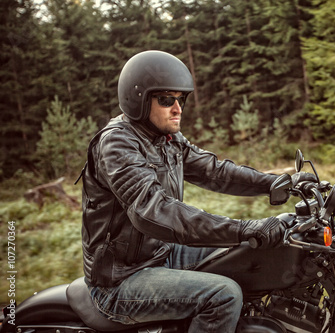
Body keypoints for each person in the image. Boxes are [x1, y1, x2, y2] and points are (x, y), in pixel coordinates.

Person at [79, 50, 314, 333]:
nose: (178, 108)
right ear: (138, 99)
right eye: (166, 100)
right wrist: (243, 227)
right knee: (224, 295)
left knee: (253, 255)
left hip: (160, 252)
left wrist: (278, 182)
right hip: (121, 279)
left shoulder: (166, 139)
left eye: (181, 99)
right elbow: (156, 212)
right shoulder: (117, 143)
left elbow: (214, 171)